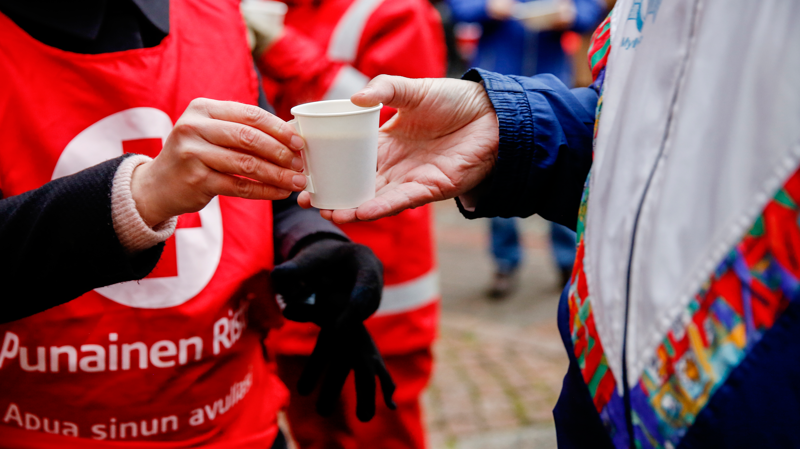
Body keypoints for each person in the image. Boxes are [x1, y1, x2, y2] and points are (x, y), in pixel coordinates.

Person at [303, 1, 800, 447]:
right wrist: (514, 127)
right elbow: (651, 131)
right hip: (601, 407)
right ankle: (506, 267)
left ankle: (558, 263)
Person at [0, 1, 394, 447]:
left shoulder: (216, 13)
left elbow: (262, 186)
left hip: (240, 424)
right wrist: (142, 195)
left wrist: (313, 243)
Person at [245, 0, 446, 447]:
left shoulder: (395, 12)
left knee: (379, 435)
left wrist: (279, 46)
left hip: (378, 291)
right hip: (291, 281)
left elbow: (406, 130)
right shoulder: (262, 12)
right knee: (314, 436)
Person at [447, 0, 605, 297]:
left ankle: (567, 263)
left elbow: (589, 10)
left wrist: (571, 15)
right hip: (497, 83)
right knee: (496, 173)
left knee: (564, 167)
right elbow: (459, 9)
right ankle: (505, 264)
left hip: (551, 85)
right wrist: (487, 7)